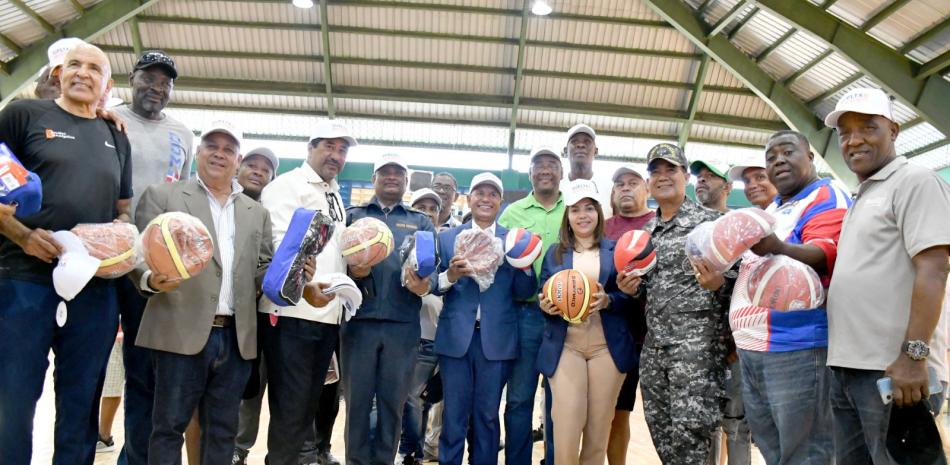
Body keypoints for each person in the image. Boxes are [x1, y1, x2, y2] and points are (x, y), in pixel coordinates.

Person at [0, 43, 132, 465]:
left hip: (91, 288)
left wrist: (119, 240)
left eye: (95, 68)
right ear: (58, 71)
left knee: (80, 404)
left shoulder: (115, 134)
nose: (82, 73)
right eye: (74, 64)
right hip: (22, 278)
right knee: (12, 398)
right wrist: (22, 236)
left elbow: (123, 212)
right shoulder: (22, 116)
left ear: (105, 84)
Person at [130, 121, 278, 465]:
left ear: (238, 160)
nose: (219, 154)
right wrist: (151, 278)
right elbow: (137, 254)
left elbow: (263, 267)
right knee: (167, 427)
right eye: (212, 146)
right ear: (197, 152)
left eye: (229, 149)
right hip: (179, 333)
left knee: (223, 431)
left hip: (236, 339)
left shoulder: (256, 213)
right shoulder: (164, 196)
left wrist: (293, 273)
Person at [825, 88, 950, 464]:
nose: (854, 139)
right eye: (844, 132)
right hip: (848, 370)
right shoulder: (861, 196)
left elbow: (935, 266)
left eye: (867, 127)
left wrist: (914, 357)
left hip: (894, 374)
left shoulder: (915, 181)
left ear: (893, 130)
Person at [729, 130, 852, 465]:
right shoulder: (774, 207)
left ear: (810, 157)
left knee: (806, 453)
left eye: (788, 152)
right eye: (771, 157)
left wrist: (779, 248)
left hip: (797, 347)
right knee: (774, 451)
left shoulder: (826, 194)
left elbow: (828, 252)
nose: (778, 160)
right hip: (754, 350)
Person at [621, 143, 733, 465]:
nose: (662, 176)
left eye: (671, 169)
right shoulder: (644, 235)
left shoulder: (711, 225)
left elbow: (741, 283)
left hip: (696, 353)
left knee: (692, 440)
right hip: (655, 353)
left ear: (685, 175)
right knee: (663, 436)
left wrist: (719, 284)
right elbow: (650, 291)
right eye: (655, 171)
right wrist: (632, 289)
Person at [109, 49, 195, 465]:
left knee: (149, 374)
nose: (157, 87)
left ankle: (137, 457)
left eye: (166, 82)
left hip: (157, 270)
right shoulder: (108, 118)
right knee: (97, 371)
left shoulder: (183, 133)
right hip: (109, 260)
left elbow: (183, 197)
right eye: (150, 78)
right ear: (132, 78)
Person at [256, 121, 355, 465]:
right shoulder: (287, 186)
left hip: (326, 317)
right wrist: (306, 286)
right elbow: (281, 248)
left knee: (305, 410)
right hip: (291, 315)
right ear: (309, 148)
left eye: (342, 150)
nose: (336, 155)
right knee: (289, 409)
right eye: (328, 146)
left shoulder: (333, 192)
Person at [434, 172, 537, 464]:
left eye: (493, 194)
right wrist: (450, 276)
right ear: (469, 198)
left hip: (496, 341)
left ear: (500, 202)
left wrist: (524, 266)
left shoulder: (513, 240)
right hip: (456, 340)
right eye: (480, 192)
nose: (486, 199)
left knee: (487, 416)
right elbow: (431, 285)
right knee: (453, 414)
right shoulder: (448, 238)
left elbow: (524, 291)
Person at [343, 153, 436, 465]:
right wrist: (353, 273)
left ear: (406, 181)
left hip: (402, 326)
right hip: (359, 324)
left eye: (399, 172)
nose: (392, 177)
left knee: (392, 404)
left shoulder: (420, 221)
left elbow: (431, 269)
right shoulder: (353, 216)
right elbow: (334, 266)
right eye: (385, 172)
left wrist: (424, 283)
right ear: (374, 179)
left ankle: (384, 461)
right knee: (357, 404)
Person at [536, 179, 637, 464]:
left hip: (607, 347)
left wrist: (610, 300)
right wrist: (546, 305)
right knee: (566, 425)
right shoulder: (555, 253)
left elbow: (630, 296)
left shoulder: (616, 250)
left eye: (589, 208)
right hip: (566, 345)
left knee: (599, 429)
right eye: (575, 209)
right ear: (567, 215)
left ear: (599, 212)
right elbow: (543, 294)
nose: (582, 215)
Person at [497, 146, 565, 465]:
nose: (545, 169)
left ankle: (554, 460)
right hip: (523, 315)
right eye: (539, 165)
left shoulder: (575, 209)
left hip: (565, 318)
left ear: (561, 173)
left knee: (559, 401)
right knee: (520, 398)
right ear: (530, 174)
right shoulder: (512, 214)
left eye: (552, 164)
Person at [603, 166, 654, 464]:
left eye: (633, 183)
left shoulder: (660, 224)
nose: (625, 188)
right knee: (614, 413)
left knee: (665, 416)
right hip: (614, 336)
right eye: (619, 184)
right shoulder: (603, 227)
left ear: (646, 188)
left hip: (654, 337)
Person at [398, 188, 445, 465]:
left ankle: (423, 449)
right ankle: (410, 451)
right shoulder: (406, 244)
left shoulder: (447, 243)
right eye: (421, 206)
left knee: (429, 400)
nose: (427, 211)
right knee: (413, 399)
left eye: (433, 207)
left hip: (446, 338)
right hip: (418, 335)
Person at [562, 124, 613, 218]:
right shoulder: (557, 189)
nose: (581, 145)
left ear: (596, 151)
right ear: (565, 151)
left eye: (587, 142)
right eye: (574, 141)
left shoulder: (610, 188)